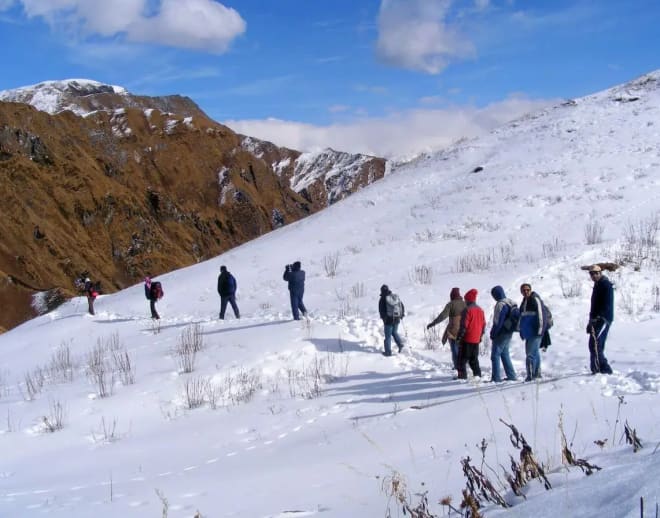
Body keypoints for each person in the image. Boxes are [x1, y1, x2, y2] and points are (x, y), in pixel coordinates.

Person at [426, 287, 466, 371]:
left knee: (455, 350)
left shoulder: (451, 304)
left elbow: (442, 316)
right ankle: (462, 366)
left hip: (453, 331)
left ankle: (457, 367)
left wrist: (433, 323)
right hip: (464, 330)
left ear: (452, 295)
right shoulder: (465, 303)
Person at [587, 265, 614, 374]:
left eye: (595, 273)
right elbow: (594, 306)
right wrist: (590, 320)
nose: (593, 275)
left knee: (596, 344)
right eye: (591, 274)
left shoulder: (605, 285)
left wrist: (599, 317)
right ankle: (597, 368)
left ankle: (603, 369)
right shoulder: (597, 285)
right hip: (595, 319)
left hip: (603, 319)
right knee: (593, 344)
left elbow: (607, 304)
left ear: (600, 273)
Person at [519, 283, 547, 381]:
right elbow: (522, 318)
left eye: (527, 290)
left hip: (536, 332)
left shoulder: (535, 299)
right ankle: (537, 374)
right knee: (535, 353)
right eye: (523, 290)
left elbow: (541, 316)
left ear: (531, 290)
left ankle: (530, 376)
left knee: (530, 354)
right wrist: (521, 331)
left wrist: (540, 330)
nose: (526, 292)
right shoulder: (524, 302)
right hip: (528, 333)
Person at [489, 286, 517, 382]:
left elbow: (498, 322)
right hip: (509, 331)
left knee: (495, 355)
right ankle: (511, 376)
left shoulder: (500, 304)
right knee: (505, 354)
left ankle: (496, 378)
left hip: (501, 333)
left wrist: (493, 333)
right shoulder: (511, 302)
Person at [455, 289, 485, 379]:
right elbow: (483, 325)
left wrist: (459, 337)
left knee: (462, 359)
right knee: (474, 359)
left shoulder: (467, 310)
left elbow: (464, 326)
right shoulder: (480, 310)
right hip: (476, 339)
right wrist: (480, 336)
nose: (465, 301)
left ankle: (462, 377)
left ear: (468, 299)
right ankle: (478, 375)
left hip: (467, 338)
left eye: (465, 299)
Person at [378, 285, 405, 356]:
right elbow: (401, 306)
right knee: (394, 332)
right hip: (397, 318)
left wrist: (384, 318)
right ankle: (400, 344)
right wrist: (401, 315)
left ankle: (388, 352)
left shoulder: (382, 299)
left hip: (388, 321)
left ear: (381, 291)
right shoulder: (394, 297)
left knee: (388, 336)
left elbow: (381, 311)